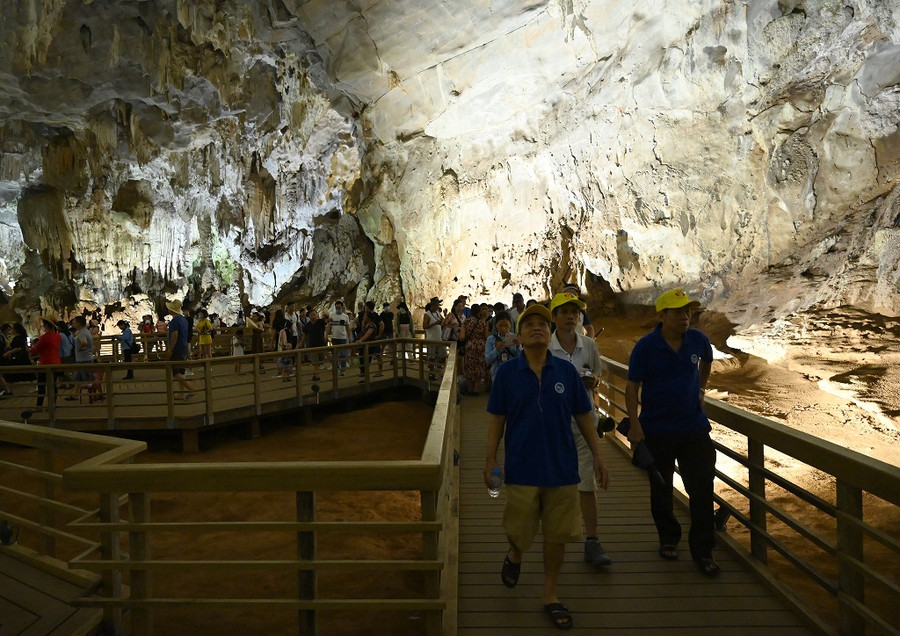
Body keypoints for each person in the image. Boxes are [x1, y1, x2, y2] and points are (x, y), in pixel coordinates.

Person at [484, 303, 609, 630]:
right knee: (519, 530)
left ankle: (550, 594)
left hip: (562, 468)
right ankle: (515, 555)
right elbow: (497, 418)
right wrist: (490, 459)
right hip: (522, 467)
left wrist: (596, 455)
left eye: (542, 323)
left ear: (548, 330)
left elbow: (584, 415)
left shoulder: (566, 372)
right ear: (520, 337)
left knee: (555, 534)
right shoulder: (509, 374)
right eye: (530, 325)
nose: (537, 327)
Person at [625, 288, 718, 577]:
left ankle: (702, 552)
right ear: (663, 315)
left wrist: (701, 389)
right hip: (657, 430)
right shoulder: (646, 347)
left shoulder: (697, 340)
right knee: (662, 490)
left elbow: (707, 362)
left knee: (702, 489)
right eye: (679, 311)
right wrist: (635, 425)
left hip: (693, 428)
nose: (686, 316)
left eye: (688, 311)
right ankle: (668, 538)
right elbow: (631, 387)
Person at [549, 291, 613, 567]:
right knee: (556, 485)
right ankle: (556, 538)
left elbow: (597, 375)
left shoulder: (589, 345)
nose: (571, 316)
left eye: (574, 312)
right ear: (554, 317)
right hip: (553, 424)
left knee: (587, 484)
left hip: (584, 423)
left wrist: (594, 382)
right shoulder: (544, 347)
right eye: (564, 312)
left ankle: (592, 540)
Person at [165, 300, 197, 399]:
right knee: (181, 371)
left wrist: (170, 349)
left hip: (177, 348)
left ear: (172, 310)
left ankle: (191, 389)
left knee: (175, 372)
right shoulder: (184, 320)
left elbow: (174, 335)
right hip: (184, 347)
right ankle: (181, 394)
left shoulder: (174, 321)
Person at [30, 317, 61, 409]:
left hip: (46, 363)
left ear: (46, 325)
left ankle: (39, 406)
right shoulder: (57, 336)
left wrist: (30, 349)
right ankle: (52, 405)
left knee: (42, 385)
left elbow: (36, 351)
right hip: (56, 362)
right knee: (53, 384)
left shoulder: (45, 337)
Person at [460, 303, 490, 395]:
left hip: (470, 346)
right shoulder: (484, 323)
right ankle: (476, 390)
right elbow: (486, 336)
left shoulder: (466, 322)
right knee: (479, 366)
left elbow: (462, 336)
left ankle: (470, 389)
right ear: (479, 311)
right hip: (481, 346)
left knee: (469, 366)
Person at [484, 311, 520, 382]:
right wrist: (496, 349)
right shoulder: (491, 339)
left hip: (513, 374)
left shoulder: (515, 338)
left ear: (510, 325)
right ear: (496, 325)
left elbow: (521, 357)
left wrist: (518, 346)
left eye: (506, 325)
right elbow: (488, 360)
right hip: (497, 374)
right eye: (500, 325)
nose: (503, 328)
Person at [71, 315, 94, 397]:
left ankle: (97, 394)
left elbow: (84, 343)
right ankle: (74, 395)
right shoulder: (85, 331)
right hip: (84, 358)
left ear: (79, 323)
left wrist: (80, 349)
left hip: (83, 360)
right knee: (78, 379)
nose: (73, 323)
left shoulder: (82, 333)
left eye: (74, 321)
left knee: (88, 380)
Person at [328, 301, 352, 374]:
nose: (338, 309)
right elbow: (329, 326)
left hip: (342, 337)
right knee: (335, 354)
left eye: (339, 307)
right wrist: (328, 334)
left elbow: (347, 327)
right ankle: (336, 369)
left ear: (342, 307)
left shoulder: (345, 317)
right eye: (336, 308)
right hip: (334, 337)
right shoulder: (332, 315)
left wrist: (349, 337)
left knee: (343, 355)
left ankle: (343, 369)